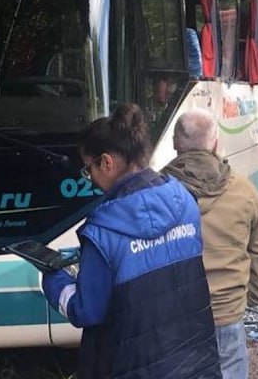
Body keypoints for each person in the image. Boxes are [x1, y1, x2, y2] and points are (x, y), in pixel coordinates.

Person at [41, 105, 221, 379]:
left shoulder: (102, 231)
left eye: (88, 169)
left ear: (107, 162)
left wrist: (54, 280)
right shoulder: (183, 199)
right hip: (196, 365)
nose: (90, 178)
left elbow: (86, 311)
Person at [163, 110, 258, 379]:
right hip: (225, 313)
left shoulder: (156, 191)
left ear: (176, 145)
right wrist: (251, 296)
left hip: (172, 316)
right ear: (215, 144)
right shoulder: (244, 190)